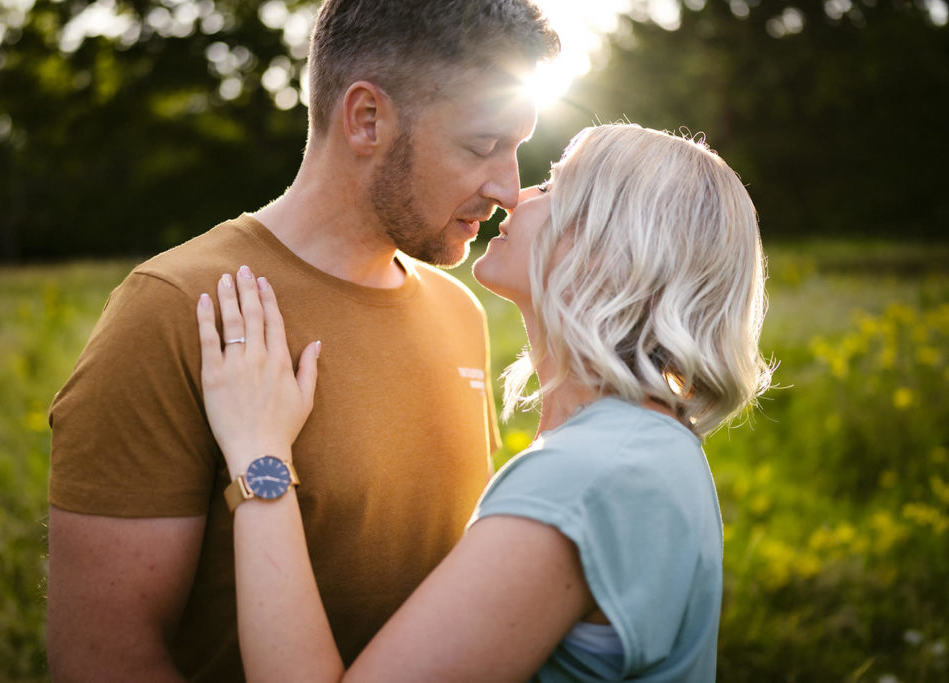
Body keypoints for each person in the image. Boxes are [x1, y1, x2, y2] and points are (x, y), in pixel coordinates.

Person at [45, 0, 560, 679]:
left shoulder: (457, 310)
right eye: (482, 145)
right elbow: (101, 654)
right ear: (367, 119)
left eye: (518, 148)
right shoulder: (172, 311)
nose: (508, 188)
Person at [196, 123, 774, 681]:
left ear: (613, 250)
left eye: (553, 186)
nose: (517, 195)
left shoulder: (582, 480)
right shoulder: (650, 443)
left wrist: (258, 453)